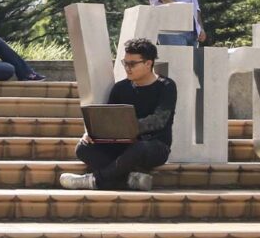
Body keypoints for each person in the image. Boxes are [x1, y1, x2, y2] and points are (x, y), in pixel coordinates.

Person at [59, 38, 175, 191]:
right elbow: (108, 117)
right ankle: (129, 180)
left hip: (154, 146)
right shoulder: (120, 88)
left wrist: (127, 129)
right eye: (125, 63)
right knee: (83, 148)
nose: (127, 68)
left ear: (148, 63)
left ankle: (93, 181)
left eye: (132, 64)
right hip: (122, 144)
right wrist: (92, 133)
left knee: (139, 148)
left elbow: (159, 120)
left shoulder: (166, 86)